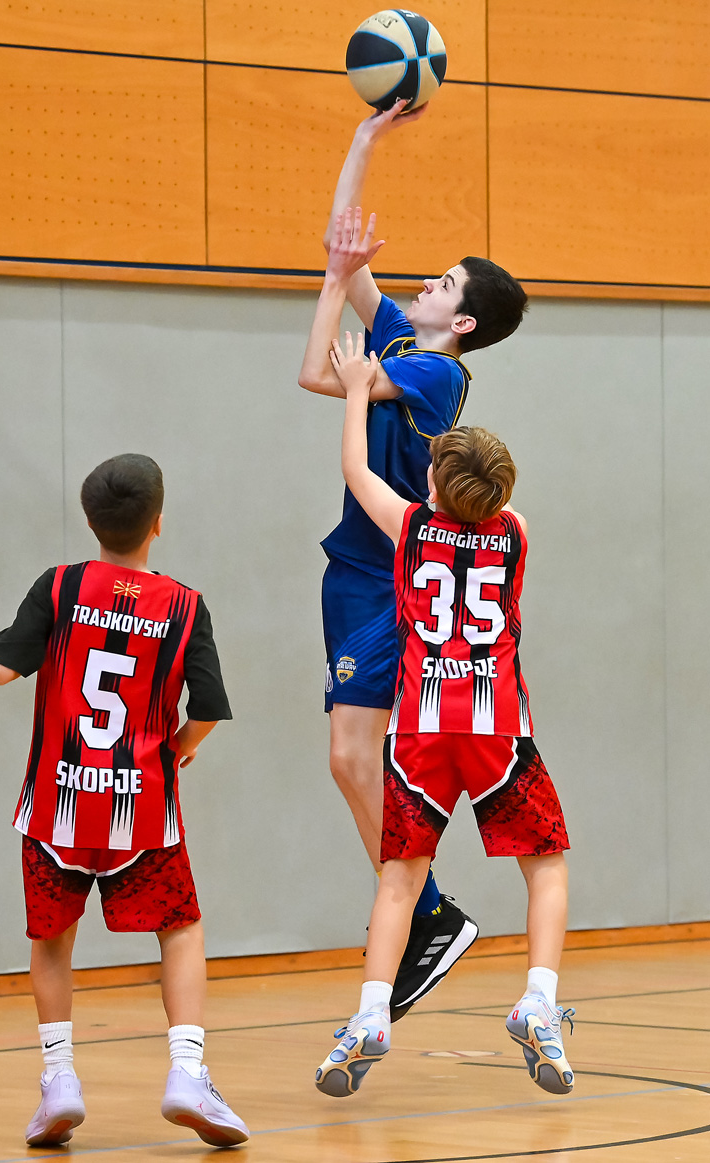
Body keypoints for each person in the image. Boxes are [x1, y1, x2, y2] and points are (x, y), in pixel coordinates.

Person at [298, 99, 529, 1019]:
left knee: (352, 753)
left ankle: (426, 913)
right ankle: (428, 911)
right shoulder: (401, 337)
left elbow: (318, 373)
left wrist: (332, 283)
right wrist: (362, 141)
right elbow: (347, 252)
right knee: (347, 758)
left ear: (461, 321)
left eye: (441, 283)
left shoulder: (436, 373)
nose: (423, 284)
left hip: (388, 578)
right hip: (353, 568)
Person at [314, 334, 572, 1099]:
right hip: (498, 734)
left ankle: (370, 1014)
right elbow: (486, 494)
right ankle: (537, 1000)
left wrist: (356, 390)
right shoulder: (514, 532)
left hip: (420, 735)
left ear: (431, 481)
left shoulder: (410, 529)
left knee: (399, 879)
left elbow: (356, 469)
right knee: (546, 866)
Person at [0, 453, 249, 1149]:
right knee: (180, 928)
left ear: (89, 520)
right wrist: (180, 745)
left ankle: (59, 1079)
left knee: (52, 940)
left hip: (57, 805)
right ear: (158, 522)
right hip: (142, 807)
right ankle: (186, 1070)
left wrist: (14, 640)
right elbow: (209, 707)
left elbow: (1, 669)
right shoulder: (184, 605)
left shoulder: (60, 586)